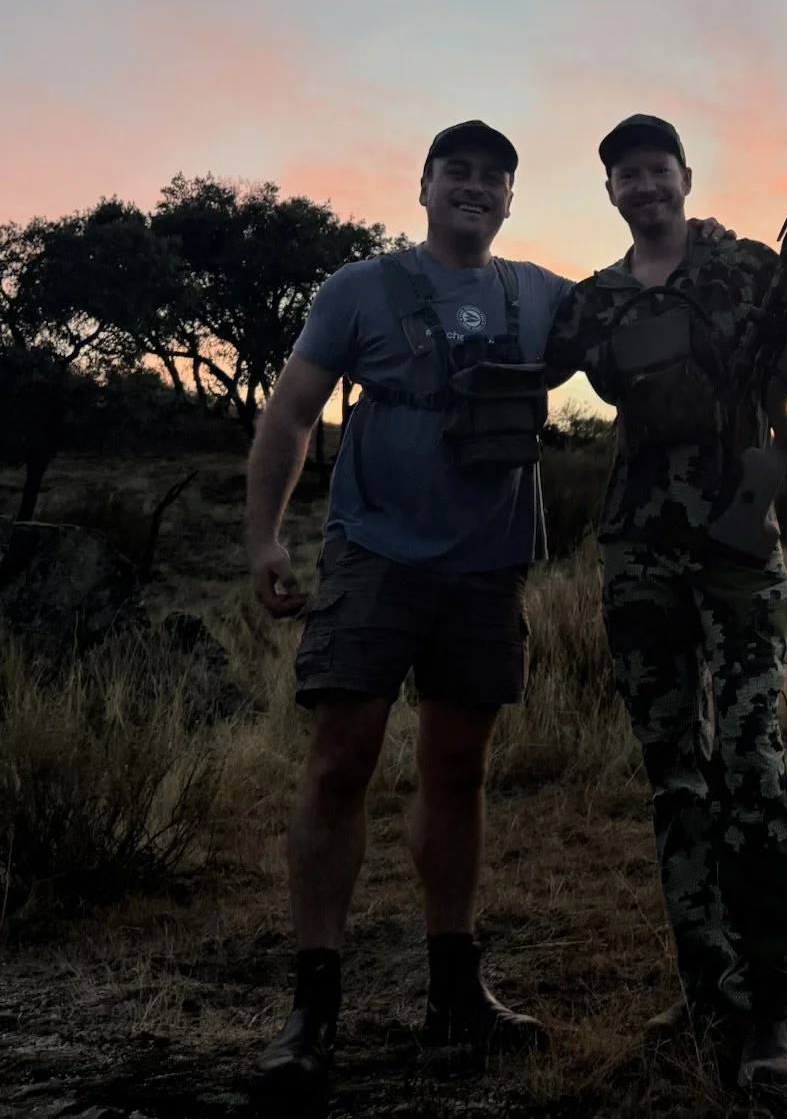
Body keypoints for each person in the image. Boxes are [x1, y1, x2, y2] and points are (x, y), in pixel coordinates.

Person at [243, 120, 565, 1105]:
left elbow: (646, 340)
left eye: (493, 178)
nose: (474, 188)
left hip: (487, 565)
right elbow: (292, 413)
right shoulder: (357, 290)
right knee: (341, 760)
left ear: (511, 198)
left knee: (458, 770)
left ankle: (454, 992)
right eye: (456, 173)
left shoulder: (545, 297)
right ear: (422, 186)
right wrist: (265, 538)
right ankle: (313, 1006)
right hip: (374, 555)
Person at [544, 114, 787, 1094]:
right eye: (623, 175)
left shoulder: (753, 267)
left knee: (749, 764)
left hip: (737, 549)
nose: (642, 185)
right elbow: (539, 376)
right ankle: (701, 985)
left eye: (655, 168)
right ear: (611, 192)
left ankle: (769, 1005)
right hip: (639, 549)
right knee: (672, 774)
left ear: (682, 175)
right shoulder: (593, 301)